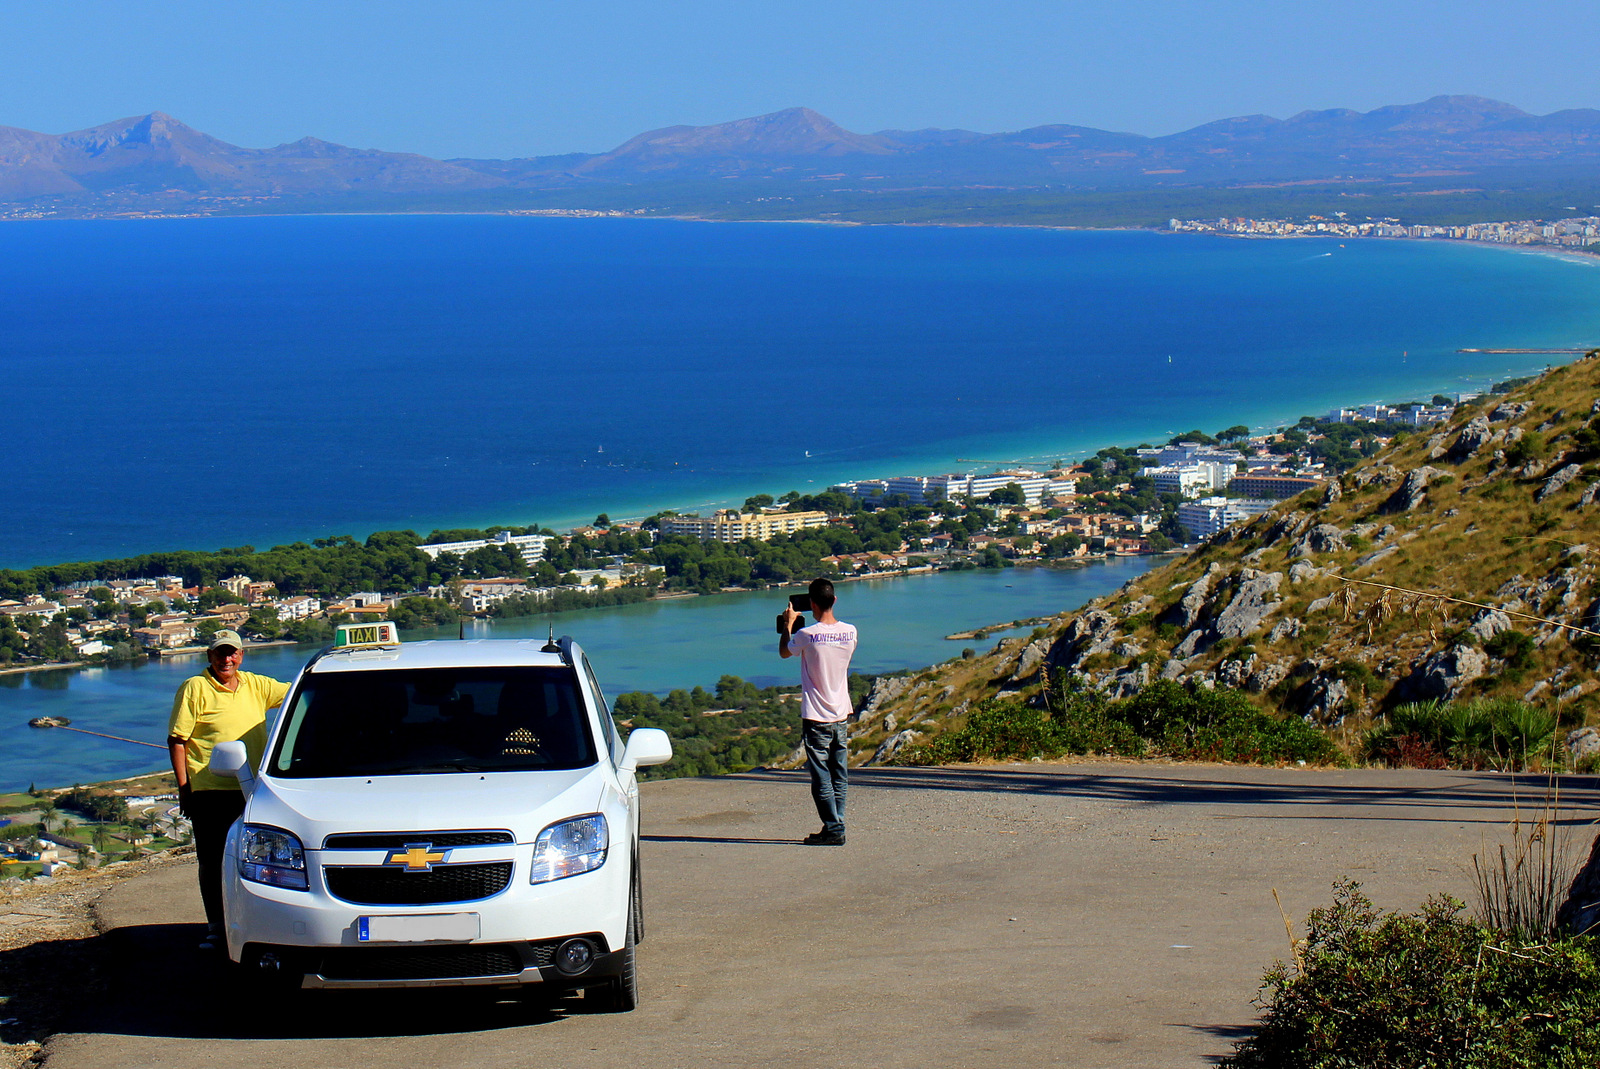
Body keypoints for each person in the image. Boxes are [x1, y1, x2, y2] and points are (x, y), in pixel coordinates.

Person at [167, 629, 289, 950]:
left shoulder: (256, 685)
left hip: (252, 789)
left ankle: (260, 923)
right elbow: (177, 740)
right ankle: (216, 926)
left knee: (262, 859)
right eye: (220, 653)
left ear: (241, 655)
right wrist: (185, 789)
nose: (227, 659)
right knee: (212, 860)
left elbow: (297, 694)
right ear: (210, 656)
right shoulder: (195, 688)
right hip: (210, 790)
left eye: (232, 652)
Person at [778, 578, 858, 846]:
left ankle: (833, 828)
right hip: (841, 713)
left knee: (821, 776)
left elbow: (784, 652)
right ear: (834, 600)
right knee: (839, 772)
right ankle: (838, 822)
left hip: (816, 715)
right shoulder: (851, 632)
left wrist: (788, 625)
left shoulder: (807, 635)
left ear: (812, 604)